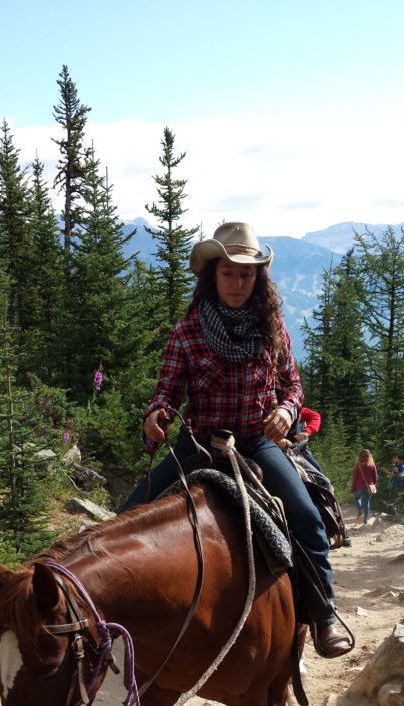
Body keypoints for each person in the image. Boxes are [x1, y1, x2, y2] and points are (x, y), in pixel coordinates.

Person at [120, 221, 350, 658]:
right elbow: (167, 390)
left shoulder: (273, 329)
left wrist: (285, 411)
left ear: (257, 279)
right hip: (200, 443)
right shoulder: (187, 331)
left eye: (246, 275)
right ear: (213, 276)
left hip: (255, 443)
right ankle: (119, 625)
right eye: (228, 273)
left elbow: (292, 386)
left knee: (306, 517)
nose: (237, 283)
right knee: (129, 516)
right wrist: (156, 414)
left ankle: (323, 615)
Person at [350, 449, 378, 524]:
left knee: (357, 498)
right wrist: (372, 485)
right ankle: (365, 520)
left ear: (360, 456)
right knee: (366, 502)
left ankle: (359, 511)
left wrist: (352, 489)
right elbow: (375, 478)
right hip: (369, 486)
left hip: (359, 486)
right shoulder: (372, 465)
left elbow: (355, 478)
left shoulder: (358, 465)